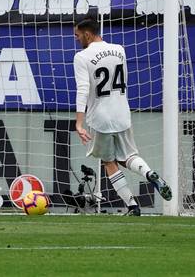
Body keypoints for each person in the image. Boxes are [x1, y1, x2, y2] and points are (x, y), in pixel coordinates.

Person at [72, 17, 172, 216]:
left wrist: (79, 122)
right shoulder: (119, 49)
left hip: (100, 117)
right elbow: (124, 79)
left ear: (87, 34)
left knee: (109, 162)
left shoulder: (81, 57)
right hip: (122, 112)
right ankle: (148, 173)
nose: (76, 39)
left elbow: (83, 89)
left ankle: (132, 206)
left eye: (77, 35)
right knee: (129, 156)